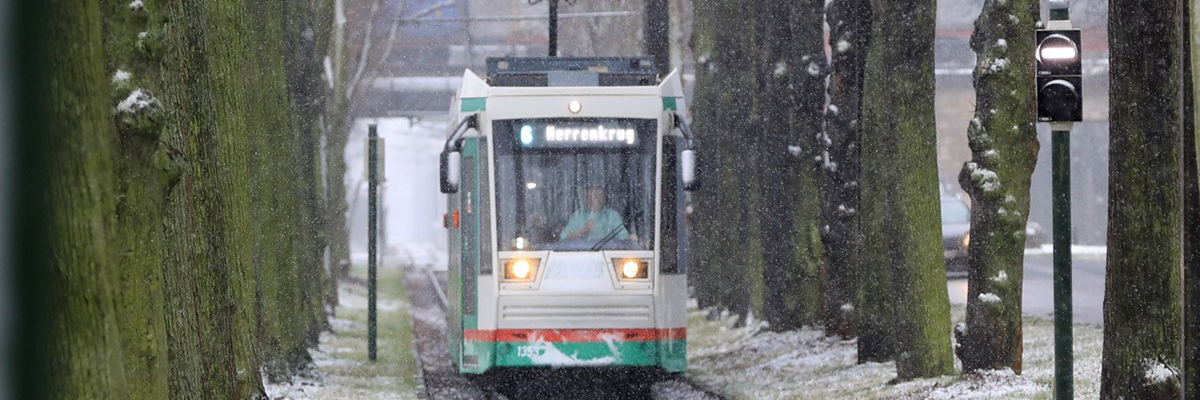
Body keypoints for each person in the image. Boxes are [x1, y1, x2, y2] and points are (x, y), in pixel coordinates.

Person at [559, 186, 630, 241]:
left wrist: (631, 238)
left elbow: (623, 237)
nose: (595, 199)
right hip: (581, 254)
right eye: (591, 196)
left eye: (598, 196)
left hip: (607, 253)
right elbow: (563, 238)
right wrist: (583, 230)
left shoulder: (612, 215)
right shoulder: (578, 215)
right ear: (586, 198)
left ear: (603, 197)